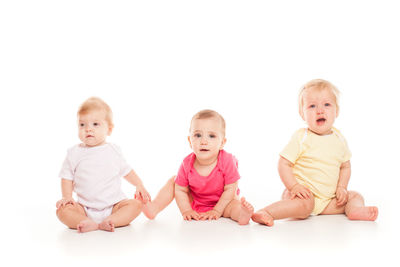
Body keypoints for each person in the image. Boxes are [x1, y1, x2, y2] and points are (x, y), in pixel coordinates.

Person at [252, 79, 378, 226]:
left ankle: (355, 210)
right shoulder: (301, 137)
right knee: (304, 206)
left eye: (327, 104)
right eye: (312, 106)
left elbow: (345, 166)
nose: (320, 110)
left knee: (355, 195)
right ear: (302, 114)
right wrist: (294, 187)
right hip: (302, 196)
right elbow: (283, 163)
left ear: (336, 111)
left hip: (328, 201)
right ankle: (267, 212)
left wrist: (342, 187)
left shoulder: (339, 139)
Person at [56, 97, 173, 233]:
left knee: (135, 205)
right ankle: (85, 221)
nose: (88, 129)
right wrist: (67, 198)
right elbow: (66, 177)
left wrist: (139, 185)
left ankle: (112, 220)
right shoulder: (74, 153)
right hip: (83, 208)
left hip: (113, 206)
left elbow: (127, 171)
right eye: (82, 125)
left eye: (95, 124)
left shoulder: (113, 151)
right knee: (62, 211)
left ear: (109, 129)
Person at [174, 109, 254, 225]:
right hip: (197, 204)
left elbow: (231, 188)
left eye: (211, 136)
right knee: (172, 183)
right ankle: (155, 206)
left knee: (234, 207)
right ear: (190, 141)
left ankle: (242, 214)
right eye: (198, 135)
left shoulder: (226, 160)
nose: (204, 141)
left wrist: (217, 210)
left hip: (225, 202)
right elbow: (180, 190)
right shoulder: (187, 164)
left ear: (222, 142)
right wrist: (186, 210)